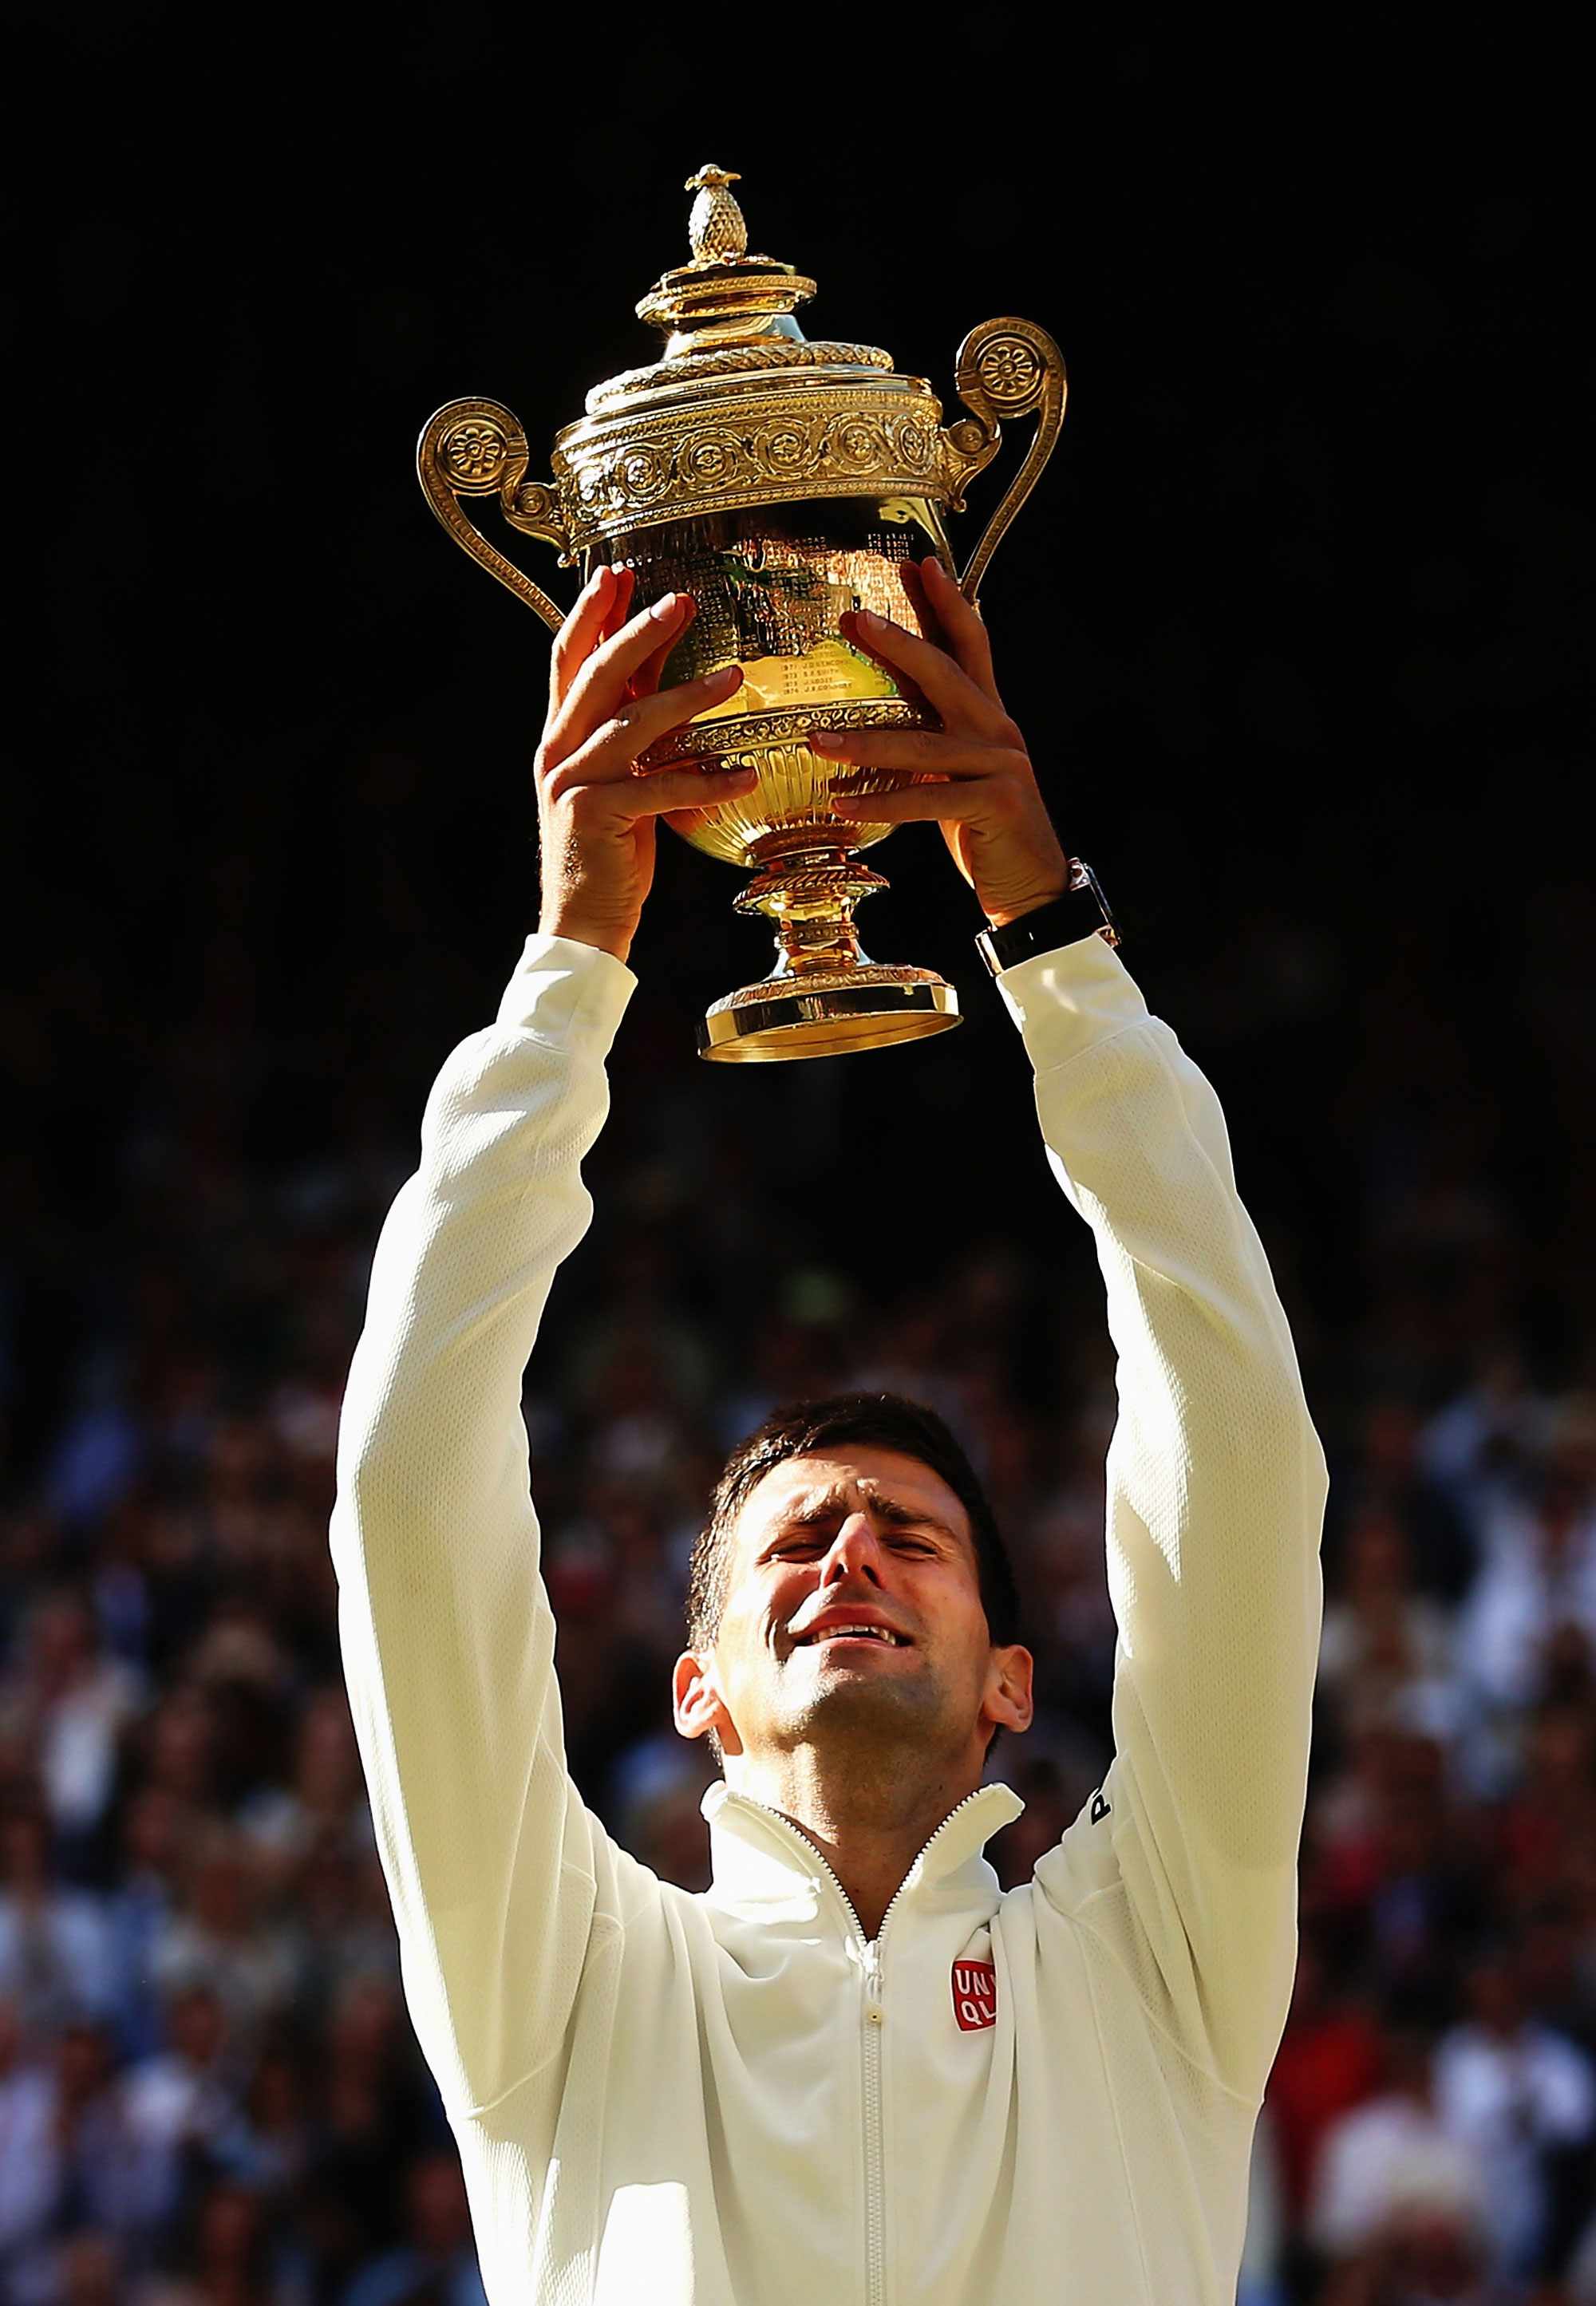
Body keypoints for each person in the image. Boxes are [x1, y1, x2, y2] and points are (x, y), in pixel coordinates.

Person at [332, 560, 1328, 2304]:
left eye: (908, 1535)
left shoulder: (1153, 1959)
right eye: (792, 1542)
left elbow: (1237, 1460)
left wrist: (1052, 942)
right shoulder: (564, 1985)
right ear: (693, 1689)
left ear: (1013, 1679)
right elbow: (412, 1494)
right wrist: (570, 966)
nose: (850, 1549)